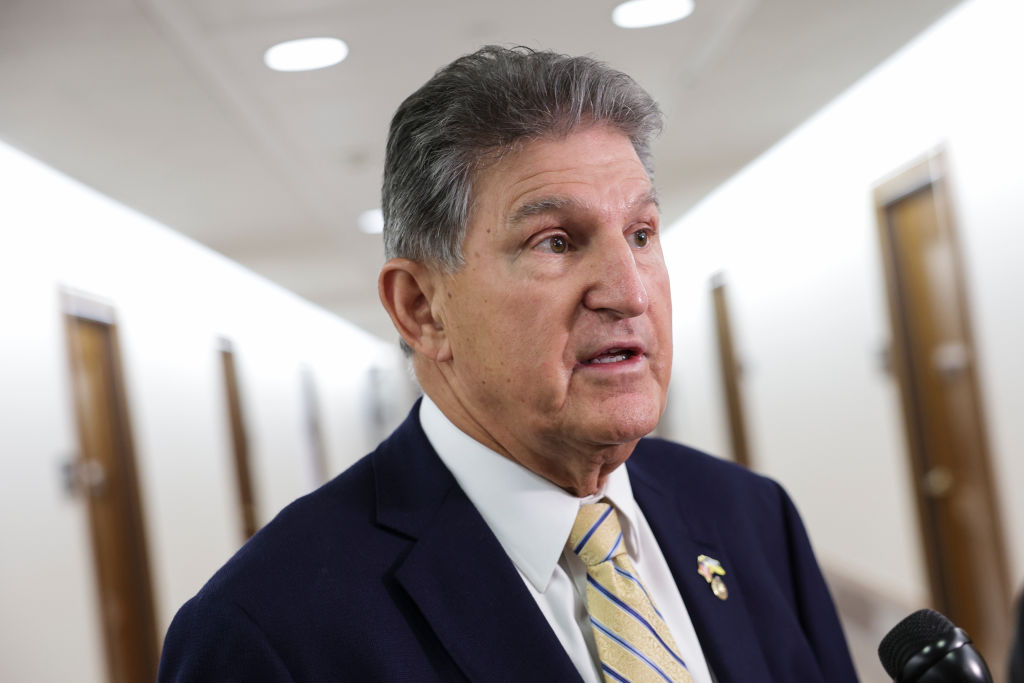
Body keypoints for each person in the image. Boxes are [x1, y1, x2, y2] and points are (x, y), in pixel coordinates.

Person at [158, 46, 858, 682]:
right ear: (422, 309)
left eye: (641, 234)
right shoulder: (267, 633)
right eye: (556, 242)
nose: (629, 291)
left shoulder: (751, 516)